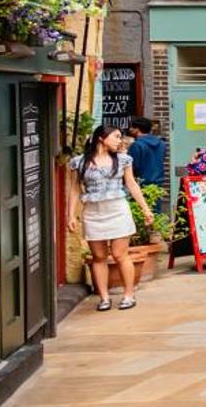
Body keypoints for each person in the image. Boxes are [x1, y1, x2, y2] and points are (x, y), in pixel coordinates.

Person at [69, 124, 150, 311]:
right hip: (93, 212)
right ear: (101, 138)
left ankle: (129, 295)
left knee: (120, 254)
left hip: (117, 210)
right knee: (98, 256)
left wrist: (145, 209)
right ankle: (104, 298)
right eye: (116, 136)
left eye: (120, 137)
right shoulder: (79, 162)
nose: (119, 141)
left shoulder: (123, 160)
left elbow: (131, 184)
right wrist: (71, 215)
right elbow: (74, 189)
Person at [126, 118, 167, 188]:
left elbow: (132, 166)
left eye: (131, 127)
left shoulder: (137, 145)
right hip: (158, 183)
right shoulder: (161, 143)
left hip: (141, 183)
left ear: (137, 129)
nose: (129, 129)